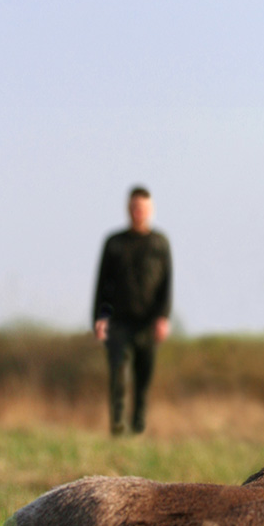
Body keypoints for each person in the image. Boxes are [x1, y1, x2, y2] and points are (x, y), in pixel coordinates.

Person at [93, 186, 172, 434]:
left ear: (150, 210)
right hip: (118, 322)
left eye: (143, 207)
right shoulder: (114, 243)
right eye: (134, 207)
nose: (138, 212)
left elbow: (166, 284)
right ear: (128, 209)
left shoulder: (159, 243)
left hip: (147, 323)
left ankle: (138, 428)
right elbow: (102, 283)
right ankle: (117, 428)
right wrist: (100, 317)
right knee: (118, 374)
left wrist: (163, 318)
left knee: (143, 379)